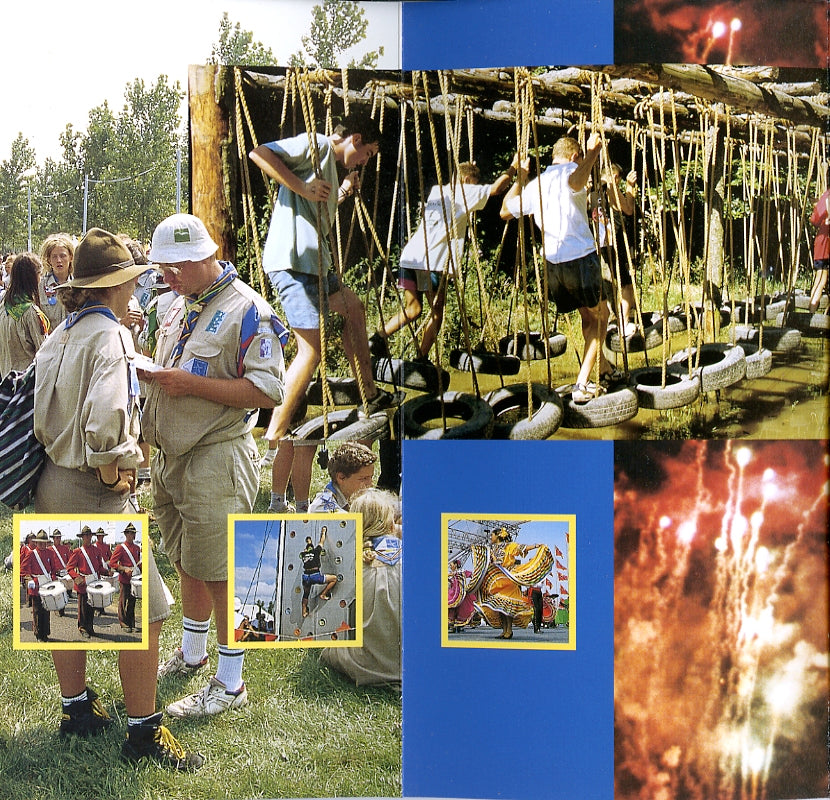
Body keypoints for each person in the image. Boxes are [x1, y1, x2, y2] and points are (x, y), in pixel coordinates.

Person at [33, 226, 202, 768]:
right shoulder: (111, 336)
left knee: (61, 601)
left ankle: (76, 709)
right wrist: (112, 474)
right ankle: (144, 734)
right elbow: (108, 417)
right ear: (116, 285)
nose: (134, 288)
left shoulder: (62, 332)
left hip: (51, 480)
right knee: (145, 612)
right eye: (130, 279)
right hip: (92, 483)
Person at [141, 213, 285, 719]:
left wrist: (190, 384)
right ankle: (193, 651)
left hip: (217, 456)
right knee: (187, 556)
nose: (170, 276)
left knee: (222, 570)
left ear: (209, 253)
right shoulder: (179, 305)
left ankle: (230, 682)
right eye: (164, 267)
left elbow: (268, 390)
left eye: (178, 266)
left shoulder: (249, 311)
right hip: (174, 457)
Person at [248, 114, 398, 502]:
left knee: (354, 309)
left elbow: (318, 205)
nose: (365, 161)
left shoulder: (333, 167)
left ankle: (369, 393)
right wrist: (300, 184)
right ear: (356, 139)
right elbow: (259, 153)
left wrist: (344, 190)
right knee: (311, 351)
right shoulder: (314, 145)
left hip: (319, 265)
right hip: (293, 265)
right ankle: (273, 434)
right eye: (367, 153)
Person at [501, 134, 618, 404]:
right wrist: (594, 153)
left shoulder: (537, 183)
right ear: (574, 155)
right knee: (603, 317)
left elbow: (505, 211)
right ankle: (582, 383)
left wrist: (520, 177)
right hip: (580, 258)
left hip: (554, 265)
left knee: (589, 317)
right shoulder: (574, 171)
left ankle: (604, 369)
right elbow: (575, 182)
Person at [369, 157, 521, 360]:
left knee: (413, 308)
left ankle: (378, 338)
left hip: (410, 258)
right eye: (473, 184)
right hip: (430, 262)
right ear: (467, 180)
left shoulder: (437, 191)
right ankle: (421, 358)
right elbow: (496, 189)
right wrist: (513, 168)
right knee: (436, 311)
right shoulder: (463, 191)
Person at [320, 487, 402, 686]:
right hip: (408, 664)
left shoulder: (345, 565)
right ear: (392, 524)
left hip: (359, 663)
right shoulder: (417, 561)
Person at [475, 528, 553, 639]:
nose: (490, 537)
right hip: (497, 580)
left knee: (507, 607)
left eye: (492, 535)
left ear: (498, 535)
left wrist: (535, 546)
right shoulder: (492, 549)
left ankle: (509, 631)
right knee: (500, 607)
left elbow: (522, 548)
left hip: (508, 580)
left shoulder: (509, 546)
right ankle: (504, 630)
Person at [592, 163, 638, 335]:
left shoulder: (594, 192)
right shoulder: (610, 188)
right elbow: (627, 209)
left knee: (620, 280)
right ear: (615, 177)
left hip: (604, 243)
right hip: (615, 242)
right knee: (627, 284)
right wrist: (629, 187)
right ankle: (624, 323)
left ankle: (620, 317)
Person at [0, 252, 49, 378]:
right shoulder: (31, 312)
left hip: (6, 380)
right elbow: (43, 353)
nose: (41, 278)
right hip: (25, 385)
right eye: (39, 274)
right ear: (32, 277)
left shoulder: (4, 303)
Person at [308, 441, 377, 512]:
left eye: (371, 477)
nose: (370, 484)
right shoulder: (322, 507)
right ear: (341, 477)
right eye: (363, 478)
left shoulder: (362, 499)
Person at [66, 525, 109, 639]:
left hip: (94, 582)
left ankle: (90, 627)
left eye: (89, 535)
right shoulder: (77, 552)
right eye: (85, 536)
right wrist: (76, 577)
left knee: (91, 606)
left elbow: (99, 567)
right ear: (82, 537)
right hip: (83, 583)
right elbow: (69, 568)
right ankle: (83, 628)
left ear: (91, 536)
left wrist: (107, 572)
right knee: (83, 608)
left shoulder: (97, 550)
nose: (88, 538)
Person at [22, 530, 57, 642]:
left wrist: (53, 578)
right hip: (36, 586)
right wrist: (29, 579)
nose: (42, 545)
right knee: (37, 610)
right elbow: (23, 569)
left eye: (44, 543)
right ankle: (38, 634)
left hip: (47, 585)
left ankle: (45, 633)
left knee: (46, 610)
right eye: (40, 543)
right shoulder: (31, 553)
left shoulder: (50, 553)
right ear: (36, 543)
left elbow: (53, 569)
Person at [38, 233, 75, 331]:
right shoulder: (41, 286)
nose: (59, 260)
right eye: (54, 257)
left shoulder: (79, 285)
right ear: (49, 260)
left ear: (71, 257)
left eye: (63, 256)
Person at [299, 527, 338, 618]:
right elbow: (321, 541)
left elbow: (308, 548)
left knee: (306, 594)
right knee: (334, 579)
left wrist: (309, 542)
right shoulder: (316, 551)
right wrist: (323, 532)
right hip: (315, 575)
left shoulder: (304, 555)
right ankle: (323, 594)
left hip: (305, 577)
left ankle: (304, 611)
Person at [109, 521, 141, 633]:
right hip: (124, 578)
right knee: (123, 600)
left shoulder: (137, 548)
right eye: (129, 533)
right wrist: (123, 569)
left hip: (135, 578)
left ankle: (131, 622)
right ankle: (123, 622)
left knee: (132, 601)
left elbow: (138, 563)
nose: (131, 535)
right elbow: (112, 563)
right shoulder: (120, 548)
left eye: (133, 533)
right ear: (126, 534)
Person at [808, 186, 829, 312]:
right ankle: (811, 312)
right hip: (825, 242)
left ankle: (811, 310)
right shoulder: (827, 196)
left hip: (822, 241)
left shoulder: (825, 196)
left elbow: (815, 219)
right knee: (821, 279)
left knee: (819, 279)